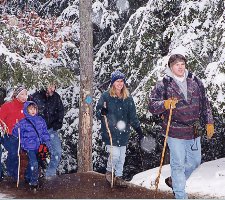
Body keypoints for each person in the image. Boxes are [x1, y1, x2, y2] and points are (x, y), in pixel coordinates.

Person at [148, 54, 214, 199]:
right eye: (176, 64)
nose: (180, 67)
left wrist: (209, 122)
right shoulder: (163, 84)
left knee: (195, 162)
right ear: (171, 67)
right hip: (174, 131)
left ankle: (175, 180)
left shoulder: (195, 81)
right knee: (177, 164)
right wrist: (164, 104)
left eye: (182, 64)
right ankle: (180, 195)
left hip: (194, 130)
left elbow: (205, 102)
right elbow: (152, 105)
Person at [96, 70, 144, 187]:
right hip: (110, 133)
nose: (120, 83)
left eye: (121, 81)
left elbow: (132, 116)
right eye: (117, 81)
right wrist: (102, 111)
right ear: (113, 83)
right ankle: (109, 171)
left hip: (123, 133)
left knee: (122, 158)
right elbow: (98, 112)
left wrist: (139, 130)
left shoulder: (128, 98)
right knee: (115, 155)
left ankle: (119, 177)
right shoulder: (106, 96)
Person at [12, 101, 51, 189]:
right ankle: (33, 182)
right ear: (27, 110)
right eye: (30, 109)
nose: (33, 111)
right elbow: (15, 134)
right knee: (34, 163)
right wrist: (16, 128)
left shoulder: (40, 120)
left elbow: (44, 132)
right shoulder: (23, 122)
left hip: (40, 146)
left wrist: (47, 141)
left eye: (34, 108)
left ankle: (29, 177)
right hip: (29, 147)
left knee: (38, 162)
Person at [29, 83, 64, 179]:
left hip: (51, 130)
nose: (53, 89)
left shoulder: (56, 97)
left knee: (57, 152)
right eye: (50, 86)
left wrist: (58, 122)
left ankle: (50, 174)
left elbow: (60, 111)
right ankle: (34, 177)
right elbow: (29, 112)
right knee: (37, 155)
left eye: (54, 86)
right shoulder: (36, 97)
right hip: (37, 132)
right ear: (45, 85)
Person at [0, 85, 28, 182]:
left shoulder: (27, 107)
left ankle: (22, 175)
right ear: (16, 95)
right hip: (8, 135)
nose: (25, 97)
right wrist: (5, 128)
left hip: (21, 136)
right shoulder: (8, 105)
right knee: (14, 151)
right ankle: (11, 174)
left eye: (26, 94)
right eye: (22, 94)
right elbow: (0, 118)